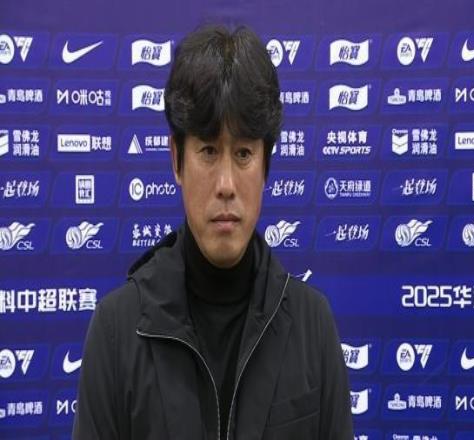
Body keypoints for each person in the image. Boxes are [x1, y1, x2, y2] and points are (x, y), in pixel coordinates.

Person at [72, 24, 353, 440]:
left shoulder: (313, 324)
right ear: (176, 160)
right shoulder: (118, 329)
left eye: (243, 153)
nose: (226, 184)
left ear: (266, 164)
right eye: (207, 150)